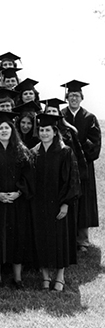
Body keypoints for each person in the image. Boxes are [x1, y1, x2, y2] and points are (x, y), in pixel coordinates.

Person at [0, 111, 33, 289]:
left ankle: (17, 278)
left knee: (17, 237)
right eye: (1, 128)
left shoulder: (21, 150)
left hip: (16, 202)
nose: (4, 131)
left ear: (12, 130)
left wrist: (19, 192)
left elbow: (28, 176)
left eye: (7, 128)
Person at [30, 113, 80, 292]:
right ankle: (45, 276)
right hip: (38, 204)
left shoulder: (65, 151)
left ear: (55, 131)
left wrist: (65, 204)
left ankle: (60, 276)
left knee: (60, 239)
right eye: (41, 130)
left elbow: (72, 180)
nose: (44, 133)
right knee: (41, 238)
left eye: (47, 130)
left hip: (58, 204)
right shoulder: (34, 152)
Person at [60, 80, 101, 252]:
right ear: (67, 97)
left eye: (76, 95)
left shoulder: (89, 118)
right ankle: (67, 238)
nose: (74, 98)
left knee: (84, 200)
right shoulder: (61, 116)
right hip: (64, 165)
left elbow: (95, 143)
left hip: (83, 165)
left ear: (82, 97)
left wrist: (78, 150)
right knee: (66, 197)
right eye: (71, 95)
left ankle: (82, 240)